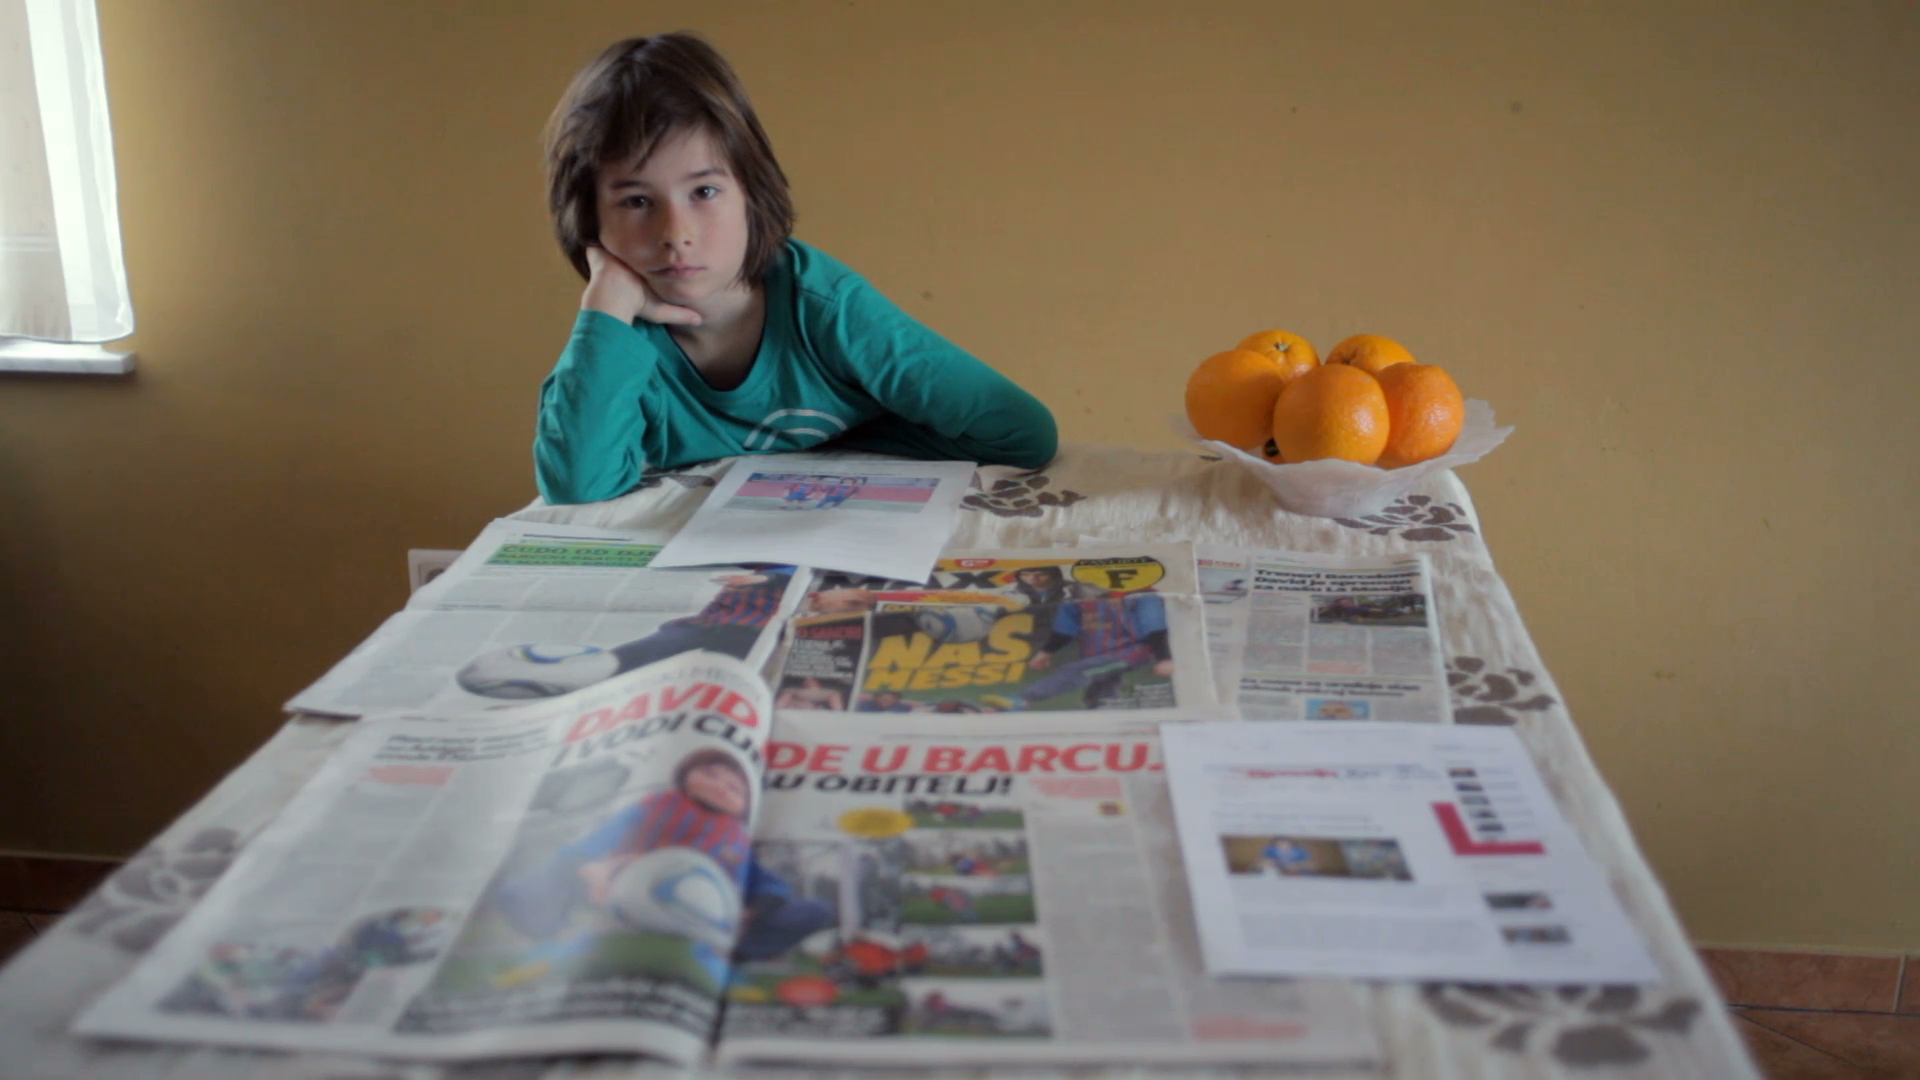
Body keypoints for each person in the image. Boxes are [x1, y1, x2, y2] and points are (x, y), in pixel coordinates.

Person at [533, 33, 1057, 505]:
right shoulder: (618, 335)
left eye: (705, 191)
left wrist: (844, 451)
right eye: (636, 201)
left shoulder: (825, 308)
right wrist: (606, 309)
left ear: (751, 193)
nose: (676, 232)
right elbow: (577, 485)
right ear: (592, 221)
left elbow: (1021, 433)